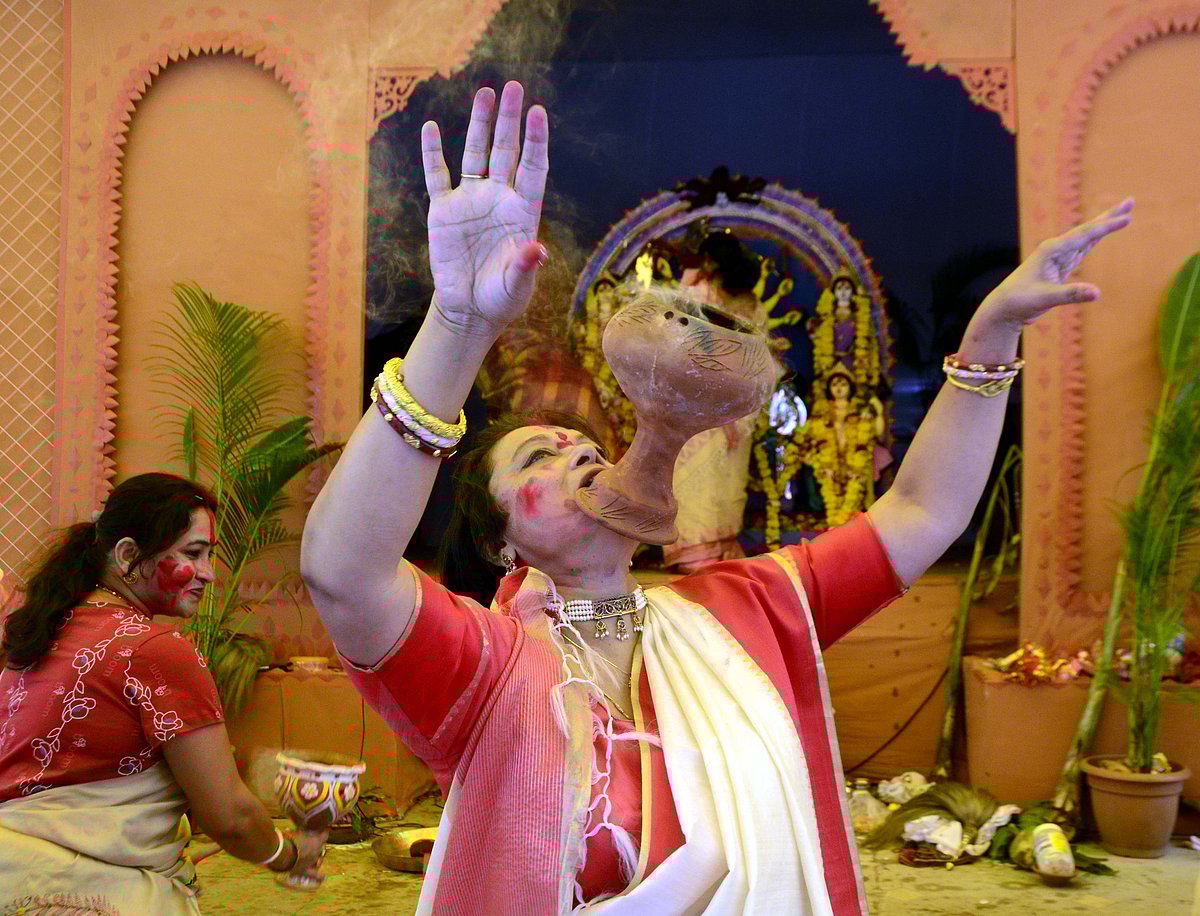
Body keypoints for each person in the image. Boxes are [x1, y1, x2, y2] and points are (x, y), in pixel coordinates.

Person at [300, 80, 1133, 914]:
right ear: (502, 546)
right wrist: (457, 323)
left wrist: (988, 339)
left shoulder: (747, 608)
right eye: (538, 457)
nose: (579, 449)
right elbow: (343, 572)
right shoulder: (482, 665)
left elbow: (920, 512)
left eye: (587, 442)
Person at [0, 473, 326, 915]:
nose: (209, 573)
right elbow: (230, 816)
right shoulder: (155, 650)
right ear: (129, 555)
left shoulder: (42, 631)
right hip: (78, 896)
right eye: (194, 553)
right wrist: (289, 855)